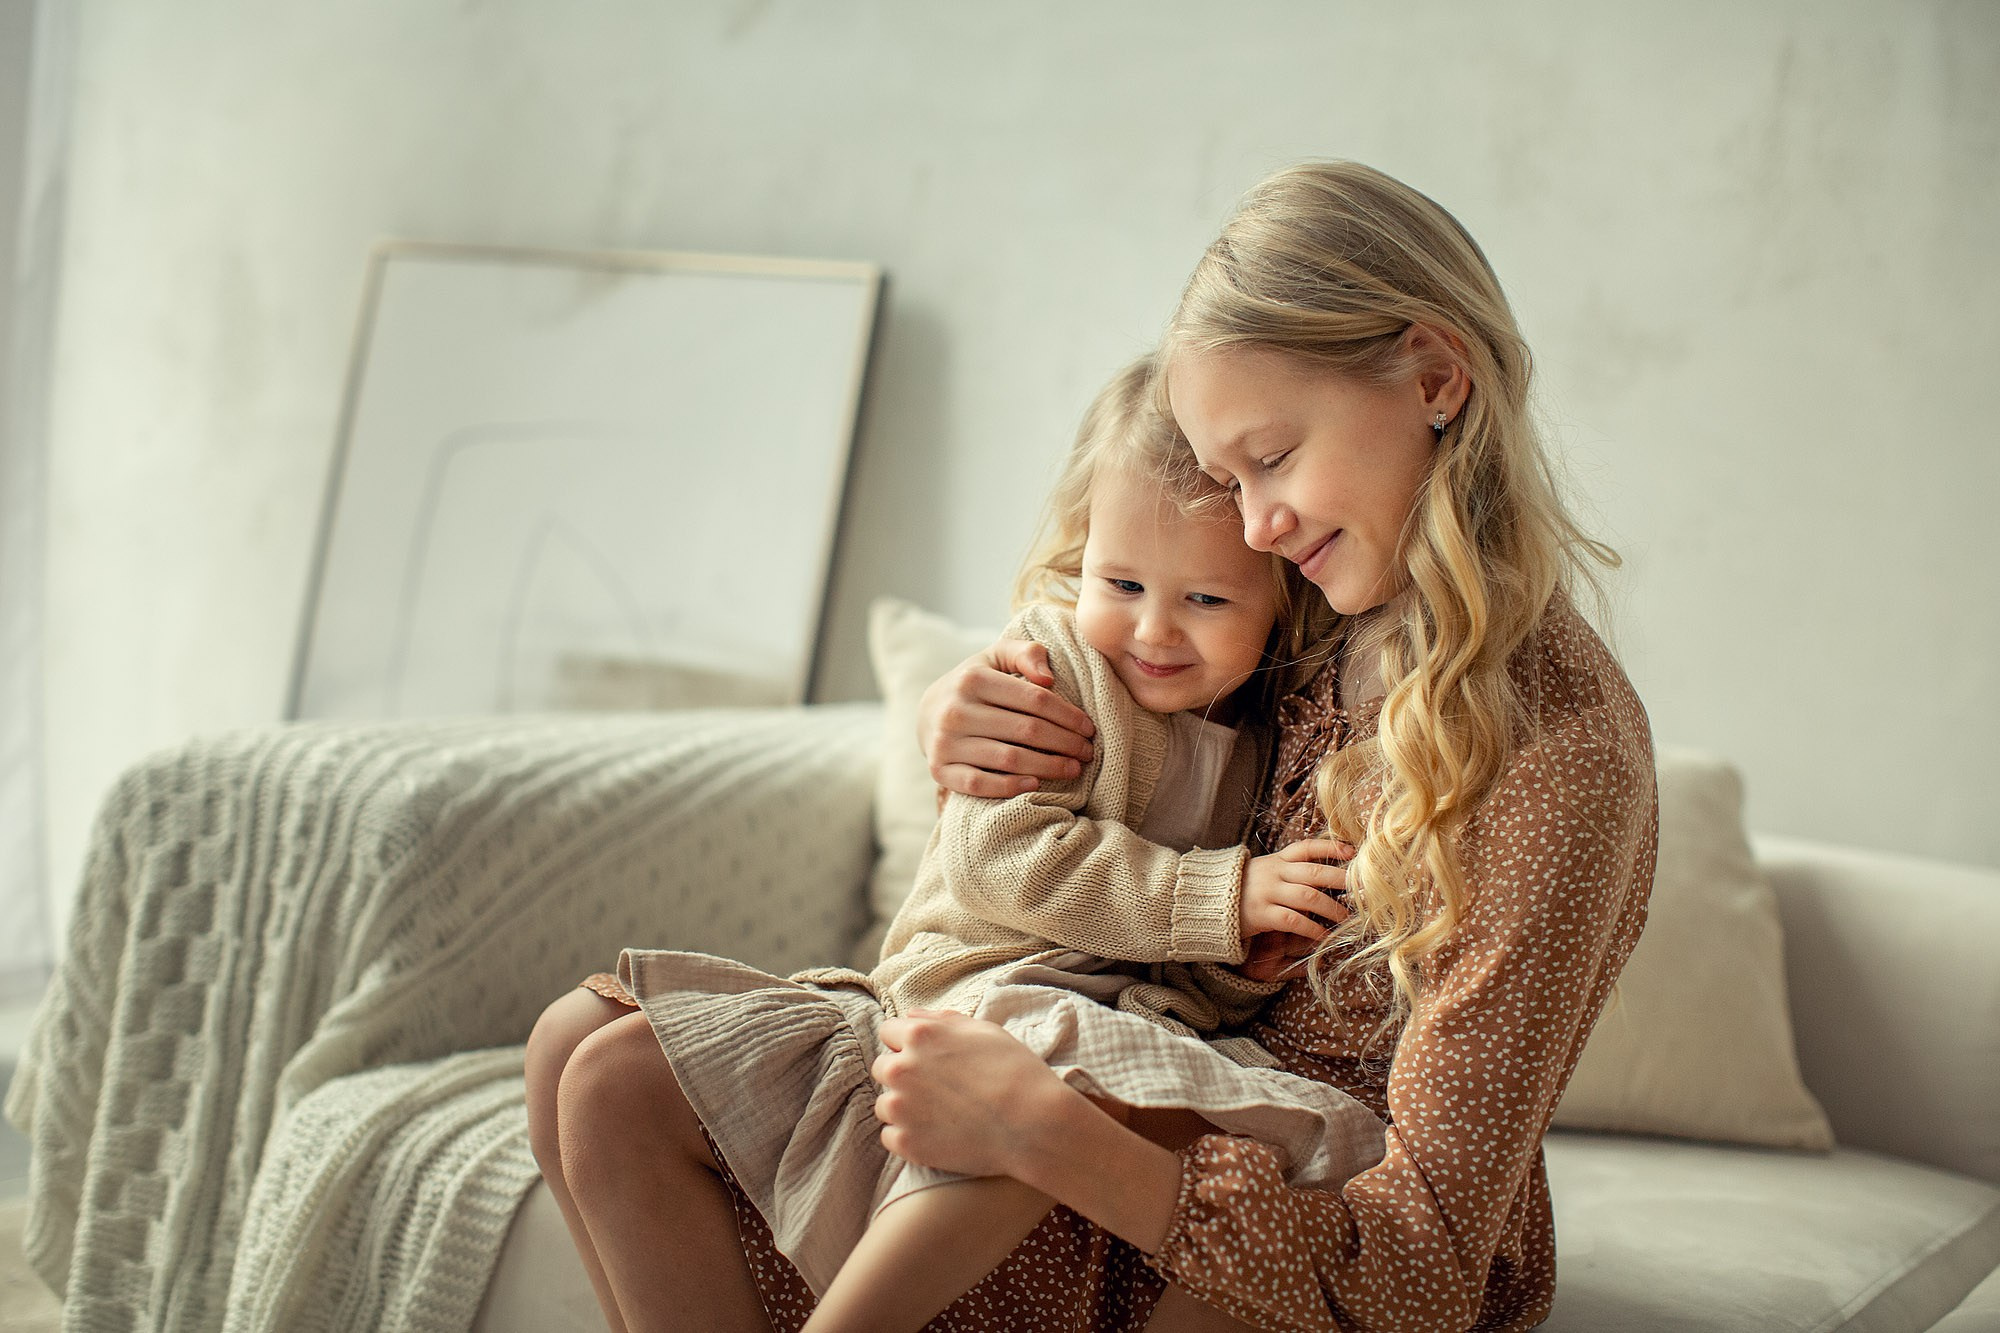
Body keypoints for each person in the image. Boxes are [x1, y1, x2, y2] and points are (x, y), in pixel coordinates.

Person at [532, 158, 1658, 1333]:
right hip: (1127, 1087)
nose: (1256, 524)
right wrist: (962, 708)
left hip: (1267, 1235)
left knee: (626, 1084)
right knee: (590, 1054)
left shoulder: (1558, 753)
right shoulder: (1322, 604)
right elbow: (1129, 642)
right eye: (1229, 478)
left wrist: (1040, 1129)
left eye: (1269, 460)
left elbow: (1423, 1265)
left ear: (1434, 378)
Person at [525, 352, 1386, 1333]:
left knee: (1078, 1060)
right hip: (981, 984)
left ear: (1278, 591)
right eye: (1122, 580)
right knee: (578, 1048)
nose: (1152, 627)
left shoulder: (1267, 731)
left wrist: (1244, 954)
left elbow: (1180, 969)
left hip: (1111, 1025)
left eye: (1205, 600)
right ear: (1082, 549)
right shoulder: (1055, 669)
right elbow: (1002, 859)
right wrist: (1215, 897)